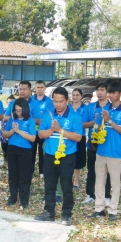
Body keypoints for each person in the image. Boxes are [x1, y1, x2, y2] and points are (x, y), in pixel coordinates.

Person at [33, 87, 82, 226]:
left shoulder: (75, 117)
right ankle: (49, 212)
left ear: (68, 100)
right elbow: (40, 134)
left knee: (66, 186)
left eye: (61, 101)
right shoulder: (48, 115)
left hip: (67, 157)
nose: (58, 104)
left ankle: (66, 214)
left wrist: (60, 130)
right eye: (55, 101)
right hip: (49, 155)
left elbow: (78, 137)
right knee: (49, 185)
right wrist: (50, 130)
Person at [90, 81, 121, 221]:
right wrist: (98, 124)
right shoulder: (105, 109)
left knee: (114, 183)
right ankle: (99, 208)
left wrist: (110, 121)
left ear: (120, 94)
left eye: (114, 93)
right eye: (110, 92)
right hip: (101, 151)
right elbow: (96, 127)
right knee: (99, 181)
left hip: (116, 154)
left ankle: (113, 210)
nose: (111, 95)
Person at [3, 98, 36, 209]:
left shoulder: (30, 121)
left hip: (25, 151)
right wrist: (13, 130)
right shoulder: (12, 120)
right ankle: (12, 198)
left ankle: (24, 201)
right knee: (13, 175)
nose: (18, 113)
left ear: (25, 109)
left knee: (24, 176)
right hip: (12, 150)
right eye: (16, 110)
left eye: (20, 110)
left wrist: (18, 131)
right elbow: (5, 134)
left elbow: (32, 138)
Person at [81, 82, 112, 205]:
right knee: (92, 169)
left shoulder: (111, 107)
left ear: (107, 92)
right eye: (98, 90)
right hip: (93, 143)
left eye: (102, 90)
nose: (100, 92)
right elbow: (83, 123)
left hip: (107, 143)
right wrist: (93, 123)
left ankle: (106, 196)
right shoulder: (91, 107)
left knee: (107, 170)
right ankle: (90, 194)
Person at [31, 80, 55, 179]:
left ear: (45, 89)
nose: (40, 89)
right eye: (38, 87)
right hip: (32, 130)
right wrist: (35, 121)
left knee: (42, 151)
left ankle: (42, 171)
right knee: (31, 152)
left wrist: (43, 122)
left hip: (44, 131)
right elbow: (27, 114)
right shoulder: (31, 100)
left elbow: (51, 114)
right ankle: (31, 171)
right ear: (35, 88)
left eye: (41, 87)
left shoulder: (49, 101)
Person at [69, 88, 88, 188]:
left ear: (81, 96)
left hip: (80, 136)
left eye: (77, 95)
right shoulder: (67, 107)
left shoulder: (85, 108)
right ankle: (68, 178)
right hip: (68, 136)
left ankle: (76, 180)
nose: (75, 97)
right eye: (74, 95)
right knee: (68, 157)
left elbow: (87, 123)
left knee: (78, 159)